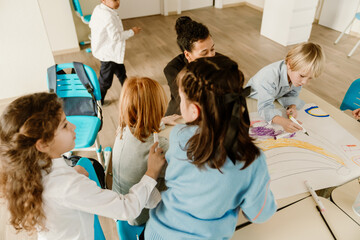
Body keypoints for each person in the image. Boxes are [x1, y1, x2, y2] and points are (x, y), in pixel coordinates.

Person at [0, 92, 166, 240]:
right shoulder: (67, 186)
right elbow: (127, 208)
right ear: (42, 144)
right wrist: (151, 172)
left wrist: (71, 174)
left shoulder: (29, 167)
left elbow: (56, 190)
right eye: (65, 125)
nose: (73, 126)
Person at [145, 55, 277, 240]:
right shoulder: (251, 159)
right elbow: (260, 215)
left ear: (194, 111)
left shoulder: (179, 135)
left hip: (157, 232)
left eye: (180, 98)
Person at [112, 77, 169, 226]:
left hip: (121, 205)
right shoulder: (159, 147)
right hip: (142, 215)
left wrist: (163, 121)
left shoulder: (122, 130)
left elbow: (143, 129)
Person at [246, 42, 325, 133]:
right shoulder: (269, 76)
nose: (304, 82)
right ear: (289, 64)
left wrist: (292, 107)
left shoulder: (296, 74)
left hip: (274, 96)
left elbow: (292, 93)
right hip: (252, 100)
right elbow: (264, 108)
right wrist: (283, 122)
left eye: (310, 78)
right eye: (302, 76)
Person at [89, 0, 141, 104]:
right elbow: (116, 37)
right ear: (103, 0)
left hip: (110, 51)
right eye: (114, 0)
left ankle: (130, 93)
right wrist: (132, 31)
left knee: (121, 73)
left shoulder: (98, 9)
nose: (118, 2)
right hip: (108, 54)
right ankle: (98, 101)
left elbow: (91, 24)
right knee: (105, 81)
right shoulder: (108, 16)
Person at [164, 16, 216, 116]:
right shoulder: (173, 69)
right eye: (204, 53)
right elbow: (189, 104)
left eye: (212, 49)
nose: (211, 56)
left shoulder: (220, 61)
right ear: (187, 55)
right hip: (181, 116)